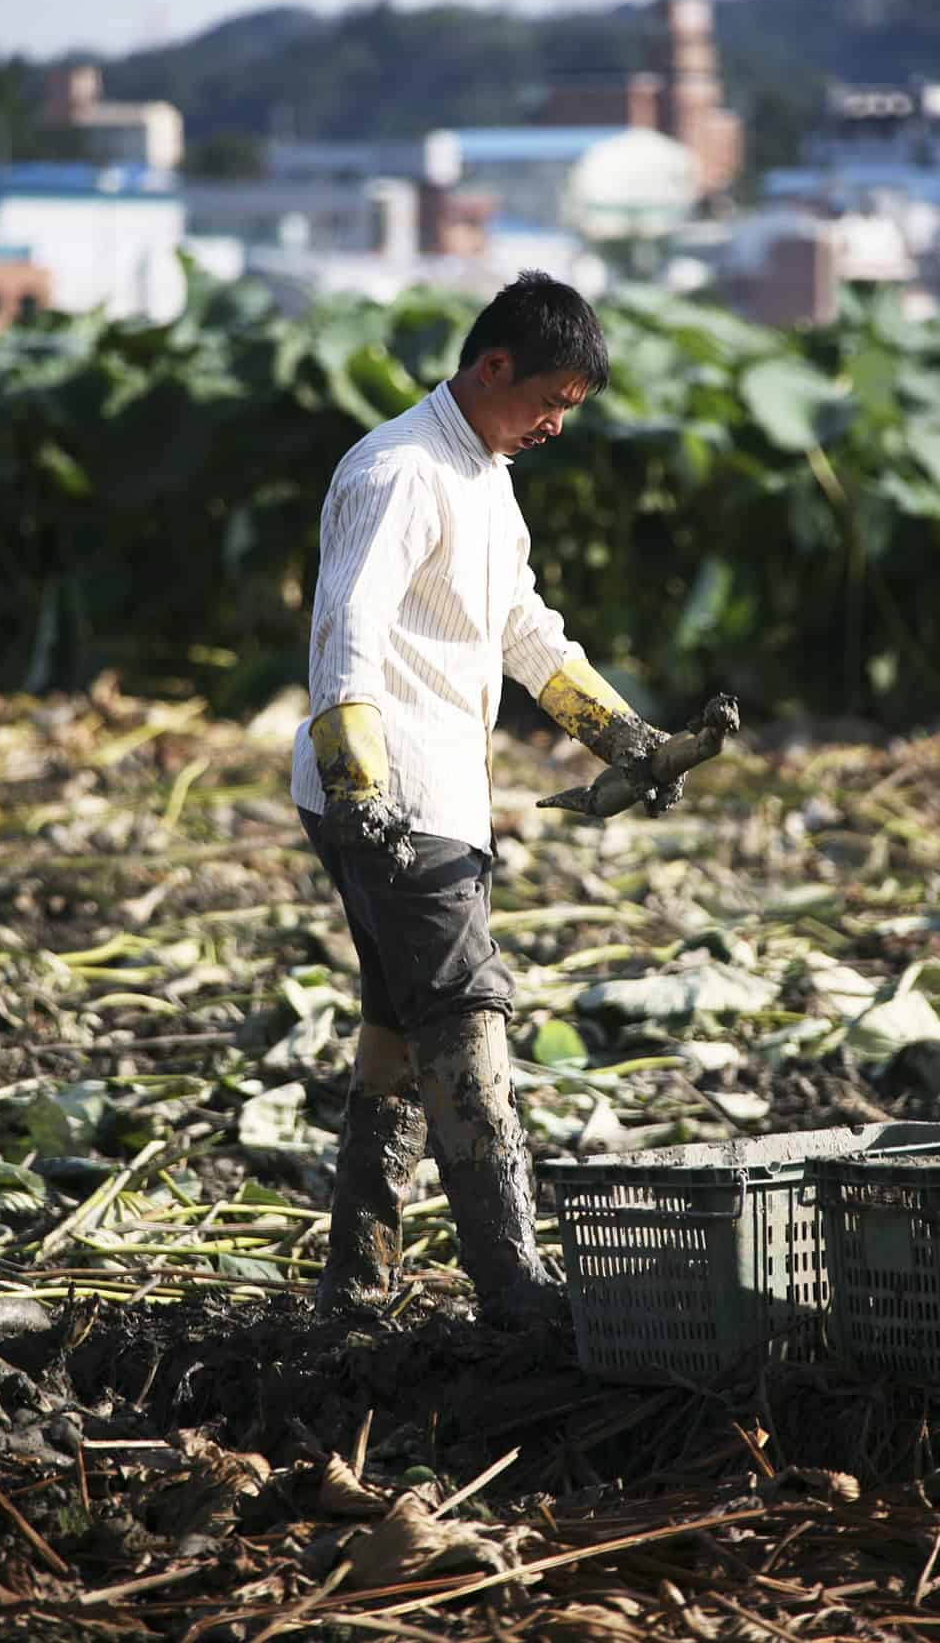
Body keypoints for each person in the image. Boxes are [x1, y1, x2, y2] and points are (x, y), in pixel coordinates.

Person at [292, 270, 683, 1326]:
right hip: (391, 794)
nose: (557, 423)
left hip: (423, 796)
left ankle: (356, 1284)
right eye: (549, 399)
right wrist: (357, 772)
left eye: (570, 409)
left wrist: (627, 739)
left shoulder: (485, 476)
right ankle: (512, 1287)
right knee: (466, 1013)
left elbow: (526, 632)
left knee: (397, 1026)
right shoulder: (399, 471)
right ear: (493, 365)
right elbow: (348, 628)